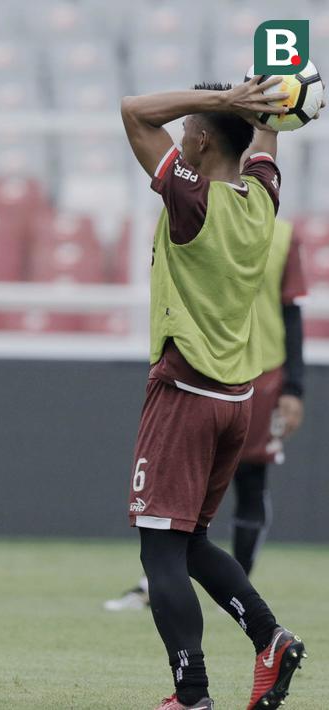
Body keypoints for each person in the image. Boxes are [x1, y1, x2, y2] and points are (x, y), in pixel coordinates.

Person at [119, 78, 308, 710]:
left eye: (188, 131)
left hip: (184, 393)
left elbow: (134, 112)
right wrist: (266, 107)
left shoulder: (192, 200)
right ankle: (270, 639)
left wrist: (226, 101)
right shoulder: (262, 198)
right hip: (234, 401)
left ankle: (191, 695)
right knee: (192, 541)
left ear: (200, 142)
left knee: (159, 549)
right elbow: (265, 146)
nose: (179, 137)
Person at [105, 217, 307, 612]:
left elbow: (291, 310)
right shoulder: (193, 213)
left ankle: (237, 587)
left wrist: (294, 387)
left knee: (250, 480)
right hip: (198, 368)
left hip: (261, 372)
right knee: (181, 488)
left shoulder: (281, 234)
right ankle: (163, 580)